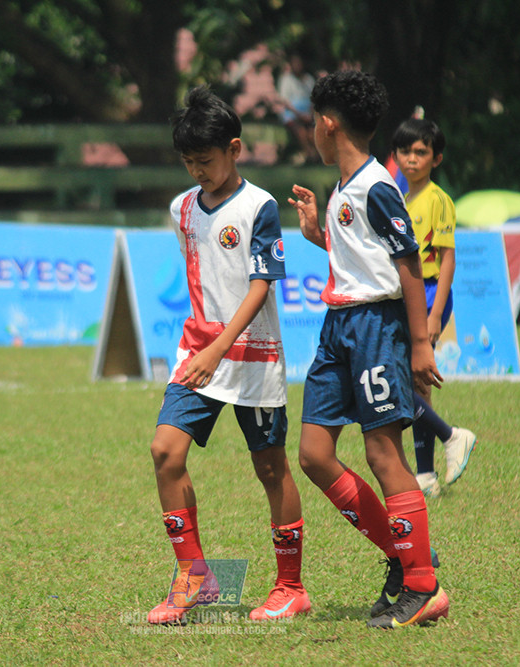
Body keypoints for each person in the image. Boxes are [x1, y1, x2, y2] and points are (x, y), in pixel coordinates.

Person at [288, 70, 449, 629]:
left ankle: (422, 584)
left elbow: (408, 267)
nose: (312, 130)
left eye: (313, 120)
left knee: (384, 454)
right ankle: (404, 558)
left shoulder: (378, 186)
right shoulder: (344, 189)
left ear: (329, 124)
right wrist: (319, 236)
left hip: (376, 329)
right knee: (313, 454)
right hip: (338, 328)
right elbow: (364, 258)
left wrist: (420, 342)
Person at [147, 86, 309, 625]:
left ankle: (290, 587)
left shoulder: (260, 207)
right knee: (165, 452)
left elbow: (262, 287)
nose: (197, 171)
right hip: (199, 352)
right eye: (189, 162)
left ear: (235, 149)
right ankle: (195, 579)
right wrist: (207, 347)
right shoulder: (182, 208)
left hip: (252, 358)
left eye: (207, 160)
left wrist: (222, 347)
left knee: (270, 467)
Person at [390, 119, 477, 498]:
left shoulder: (438, 200)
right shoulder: (401, 199)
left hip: (426, 294)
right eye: (405, 151)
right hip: (405, 293)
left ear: (436, 158)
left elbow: (446, 260)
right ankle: (426, 475)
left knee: (408, 380)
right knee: (418, 386)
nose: (412, 158)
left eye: (421, 152)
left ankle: (452, 436)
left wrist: (436, 313)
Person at [276, 55, 319, 164]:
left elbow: (313, 99)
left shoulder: (308, 79)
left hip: (307, 114)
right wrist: (299, 114)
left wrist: (309, 114)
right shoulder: (286, 80)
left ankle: (317, 156)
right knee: (301, 131)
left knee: (312, 133)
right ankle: (309, 154)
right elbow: (285, 101)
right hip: (293, 114)